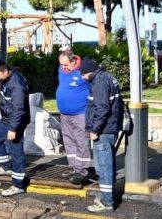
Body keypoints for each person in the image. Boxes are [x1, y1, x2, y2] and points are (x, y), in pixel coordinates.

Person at [81, 58, 123, 213]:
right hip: (110, 128)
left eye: (83, 75)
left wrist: (95, 130)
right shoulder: (107, 77)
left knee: (104, 166)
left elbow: (102, 108)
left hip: (104, 130)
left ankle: (107, 202)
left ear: (89, 72)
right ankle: (109, 196)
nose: (82, 78)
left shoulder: (99, 82)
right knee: (109, 165)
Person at [0, 60, 31, 197]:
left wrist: (13, 129)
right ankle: (6, 167)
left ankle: (18, 185)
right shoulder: (5, 80)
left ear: (5, 71)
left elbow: (19, 109)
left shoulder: (17, 85)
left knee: (16, 151)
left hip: (15, 122)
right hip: (6, 119)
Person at [56, 49, 92, 184]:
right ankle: (74, 167)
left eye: (65, 65)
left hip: (80, 113)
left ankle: (82, 170)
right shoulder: (62, 69)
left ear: (73, 61)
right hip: (64, 114)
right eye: (61, 65)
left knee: (80, 141)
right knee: (69, 141)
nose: (63, 67)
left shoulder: (83, 71)